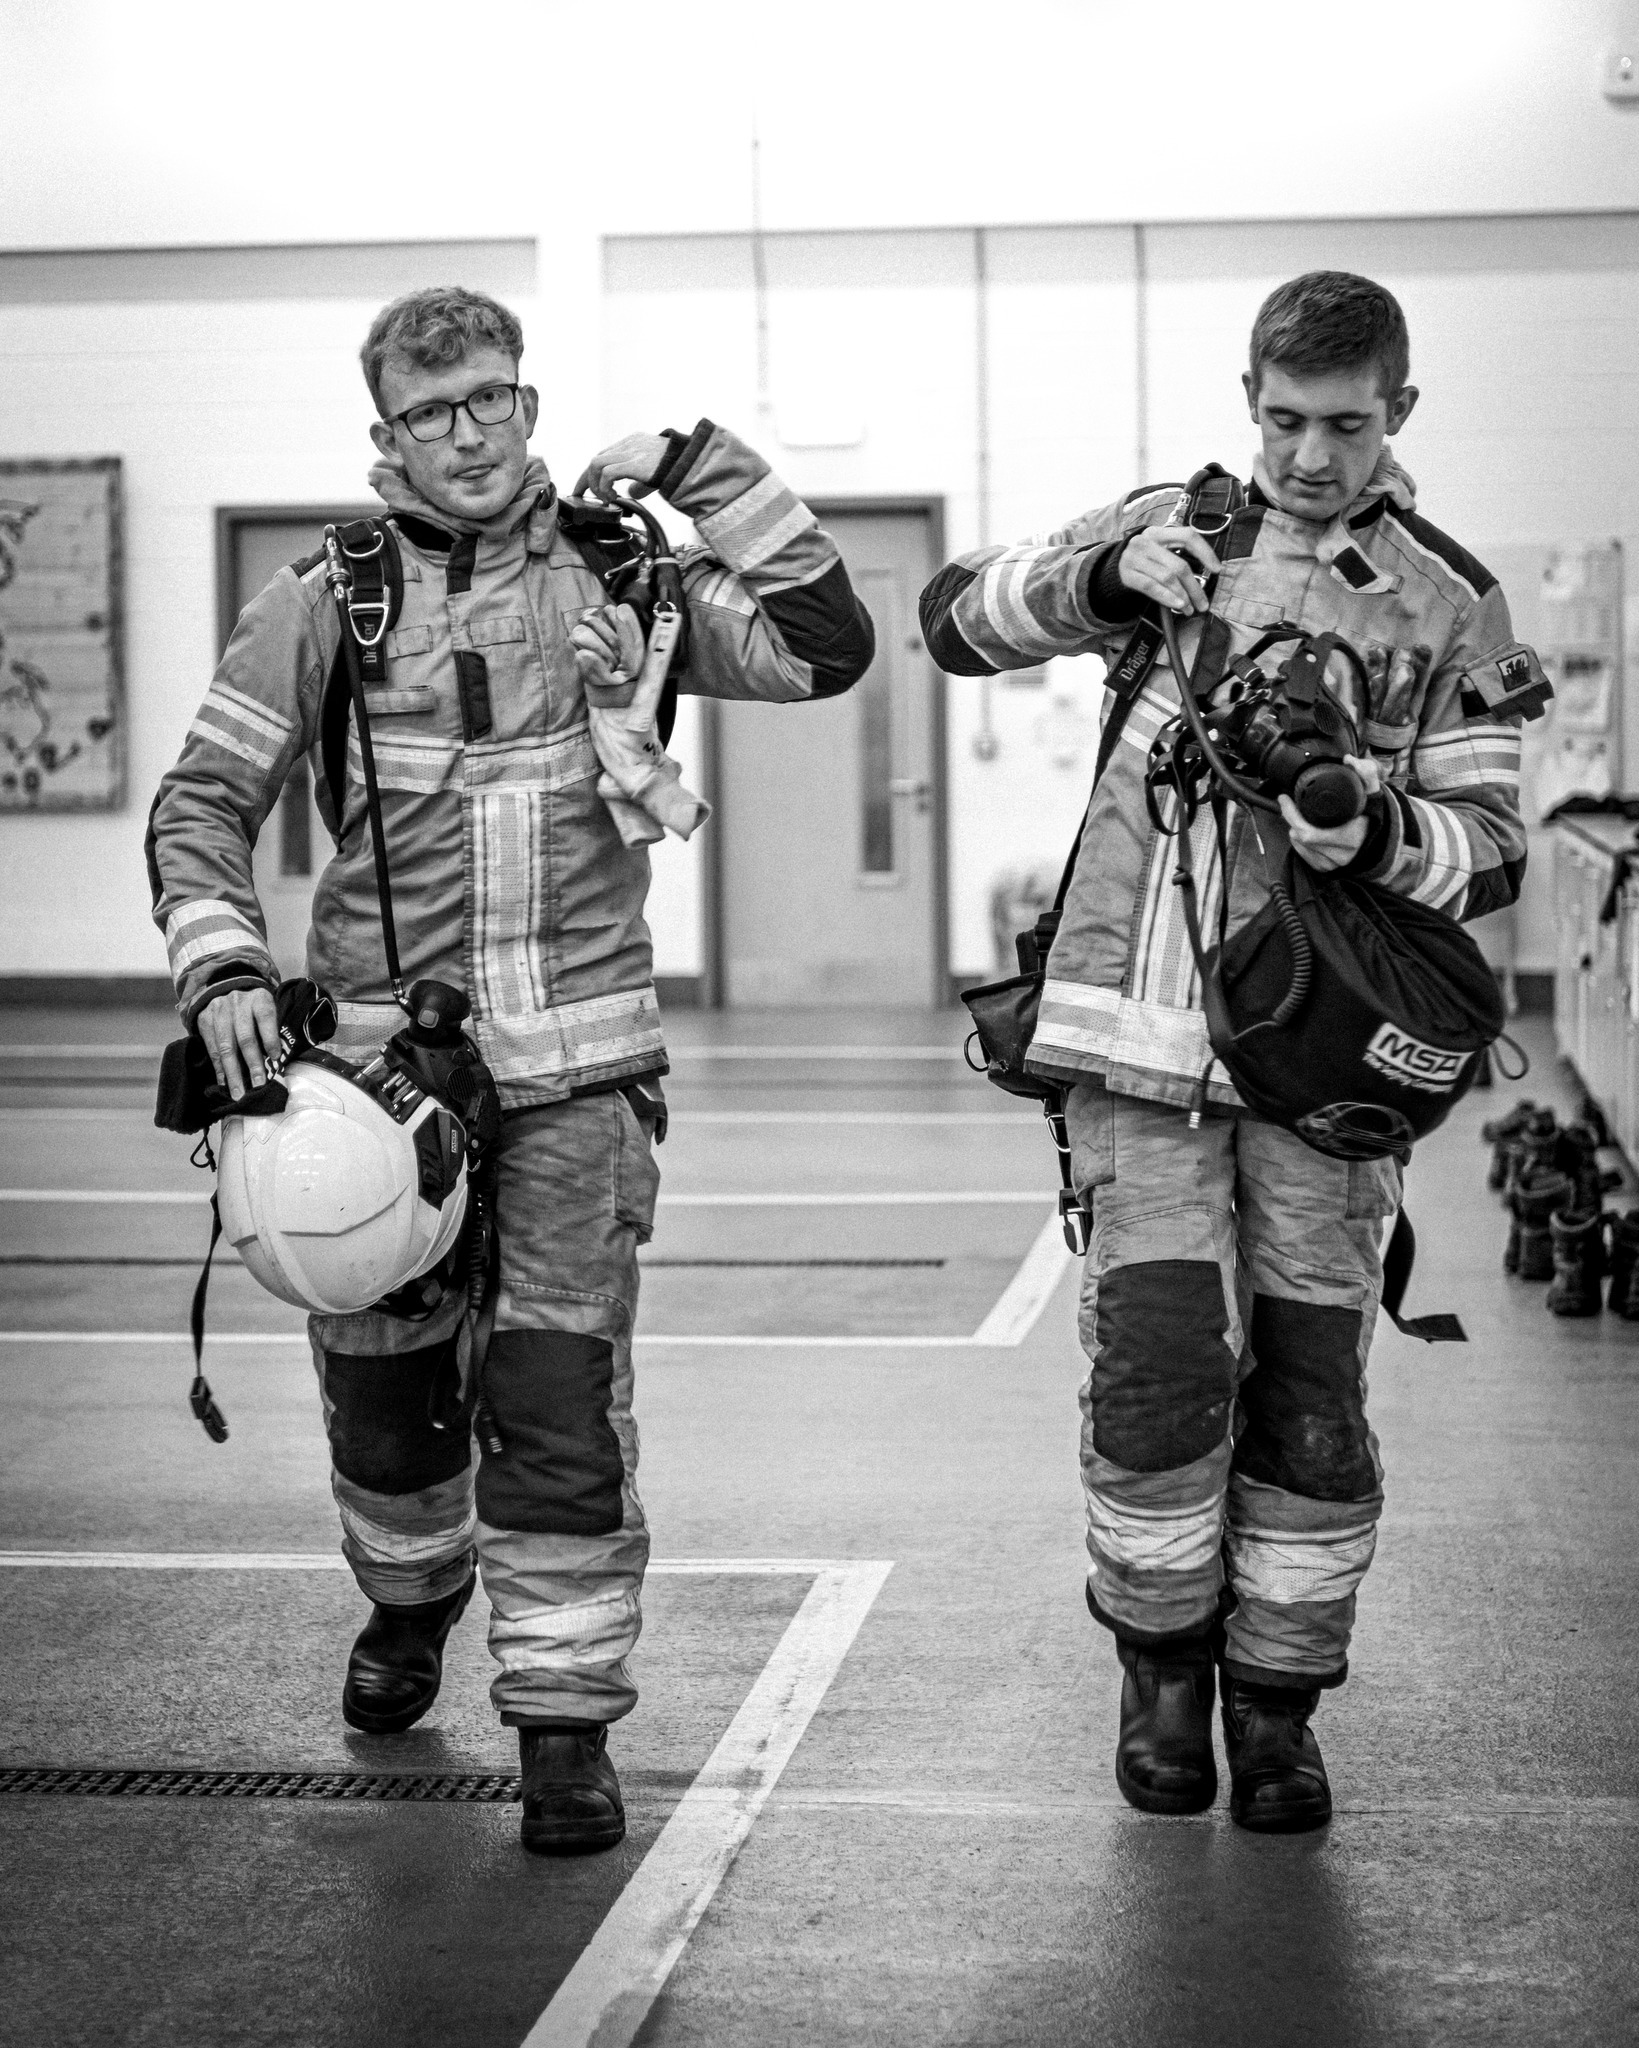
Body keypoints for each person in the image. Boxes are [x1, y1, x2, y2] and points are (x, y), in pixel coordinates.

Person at [147, 286, 874, 1855]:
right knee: (389, 1414)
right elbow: (199, 803)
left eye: (492, 400)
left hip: (583, 1081)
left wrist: (705, 465)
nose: (468, 436)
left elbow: (831, 647)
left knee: (557, 1405)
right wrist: (218, 971)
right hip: (371, 1092)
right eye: (433, 412)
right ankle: (410, 1607)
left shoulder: (630, 578)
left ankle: (560, 1724)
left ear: (530, 406)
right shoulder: (318, 604)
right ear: (385, 434)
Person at [921, 272, 1536, 1831]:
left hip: (1324, 1078)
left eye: (1343, 424)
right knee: (1157, 1383)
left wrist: (1374, 826)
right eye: (1283, 421)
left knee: (1313, 1403)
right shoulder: (1170, 526)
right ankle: (1162, 1676)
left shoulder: (1450, 601)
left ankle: (1277, 1709)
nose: (1309, 456)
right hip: (1139, 1063)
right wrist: (1107, 583)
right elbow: (953, 619)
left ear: (1401, 409)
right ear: (1247, 398)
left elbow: (1496, 847)